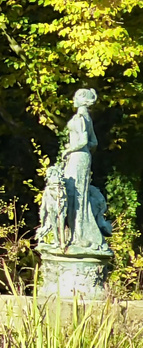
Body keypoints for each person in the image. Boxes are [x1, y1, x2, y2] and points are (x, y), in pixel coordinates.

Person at [62, 88, 100, 251]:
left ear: (82, 100)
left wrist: (69, 149)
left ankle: (77, 236)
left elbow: (85, 140)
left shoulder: (80, 118)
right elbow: (94, 143)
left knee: (74, 195)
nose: (73, 99)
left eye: (76, 97)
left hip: (77, 158)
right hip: (82, 157)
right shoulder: (87, 118)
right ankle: (76, 234)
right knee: (77, 195)